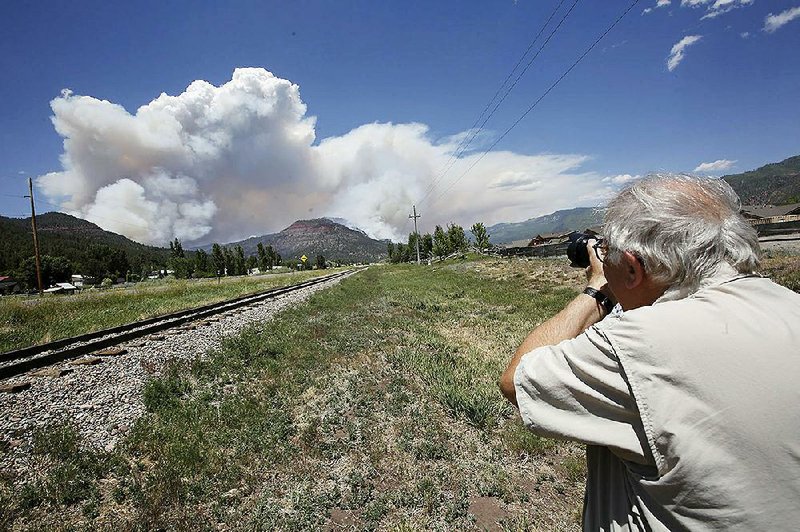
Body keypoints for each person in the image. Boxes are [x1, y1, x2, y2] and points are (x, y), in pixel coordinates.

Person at [499, 174, 800, 531]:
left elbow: (516, 380)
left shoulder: (635, 344)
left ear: (631, 268)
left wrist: (597, 289)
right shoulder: (790, 305)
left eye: (608, 255)